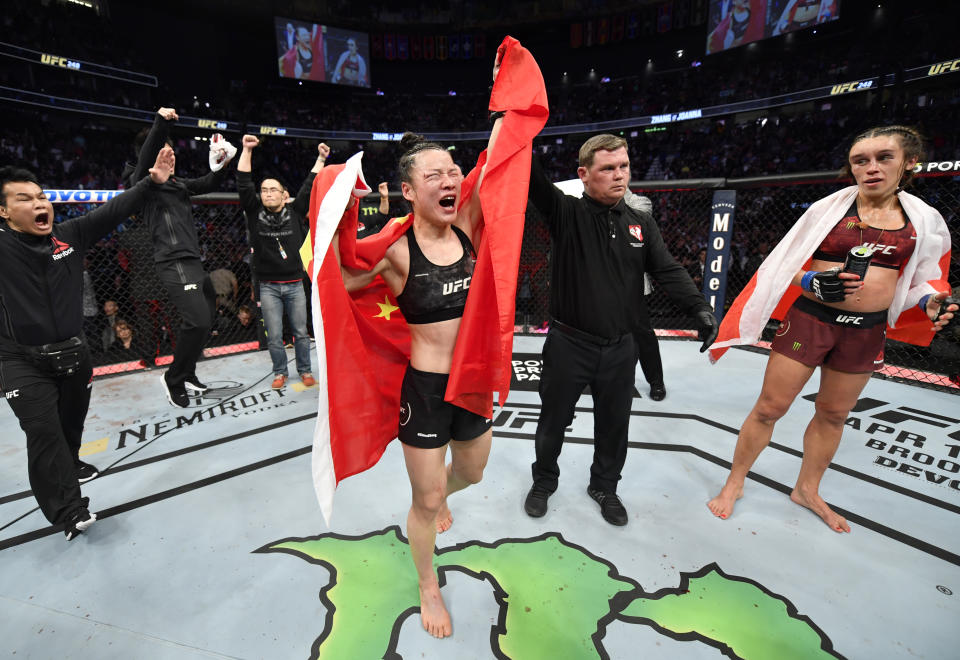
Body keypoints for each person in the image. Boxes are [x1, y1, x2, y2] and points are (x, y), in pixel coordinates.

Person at [707, 125, 956, 532]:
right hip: (812, 320)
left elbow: (921, 282)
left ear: (909, 163)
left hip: (865, 330)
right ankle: (735, 482)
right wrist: (808, 280)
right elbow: (782, 264)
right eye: (861, 160)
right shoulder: (828, 210)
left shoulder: (925, 221)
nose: (871, 167)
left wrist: (930, 302)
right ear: (852, 167)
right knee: (770, 408)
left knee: (834, 414)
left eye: (883, 157)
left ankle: (807, 488)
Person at [522, 134, 719, 527]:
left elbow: (665, 268)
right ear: (584, 175)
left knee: (615, 426)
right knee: (552, 420)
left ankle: (605, 487)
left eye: (624, 166)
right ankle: (544, 481)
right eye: (608, 168)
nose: (619, 176)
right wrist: (515, 126)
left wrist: (699, 307)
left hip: (619, 348)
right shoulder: (566, 212)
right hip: (568, 344)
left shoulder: (640, 222)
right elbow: (532, 178)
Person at [0, 149, 173, 540]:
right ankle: (69, 511)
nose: (38, 203)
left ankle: (70, 463)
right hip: (20, 359)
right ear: (4, 213)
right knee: (43, 434)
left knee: (68, 429)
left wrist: (153, 181)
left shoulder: (69, 235)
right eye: (24, 199)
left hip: (74, 353)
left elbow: (114, 211)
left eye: (41, 196)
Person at [121, 107, 237, 408]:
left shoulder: (179, 184)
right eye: (164, 154)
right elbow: (146, 162)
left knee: (207, 317)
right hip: (172, 261)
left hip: (192, 260)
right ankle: (173, 377)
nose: (170, 158)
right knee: (196, 321)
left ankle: (187, 372)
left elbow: (210, 183)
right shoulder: (141, 185)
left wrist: (222, 161)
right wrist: (160, 124)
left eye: (172, 154)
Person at [236, 135, 326, 389]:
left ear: (285, 195)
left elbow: (309, 185)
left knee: (300, 332)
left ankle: (305, 370)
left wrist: (320, 158)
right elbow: (243, 183)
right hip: (268, 286)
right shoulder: (255, 214)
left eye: (272, 189)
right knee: (274, 336)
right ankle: (280, 372)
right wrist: (246, 150)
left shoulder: (295, 211)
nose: (267, 193)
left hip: (296, 284)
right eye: (263, 190)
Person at [623, 190, 666, 400]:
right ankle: (619, 378)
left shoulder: (639, 202)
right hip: (602, 281)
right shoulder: (591, 202)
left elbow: (637, 218)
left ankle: (656, 382)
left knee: (643, 335)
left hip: (632, 285)